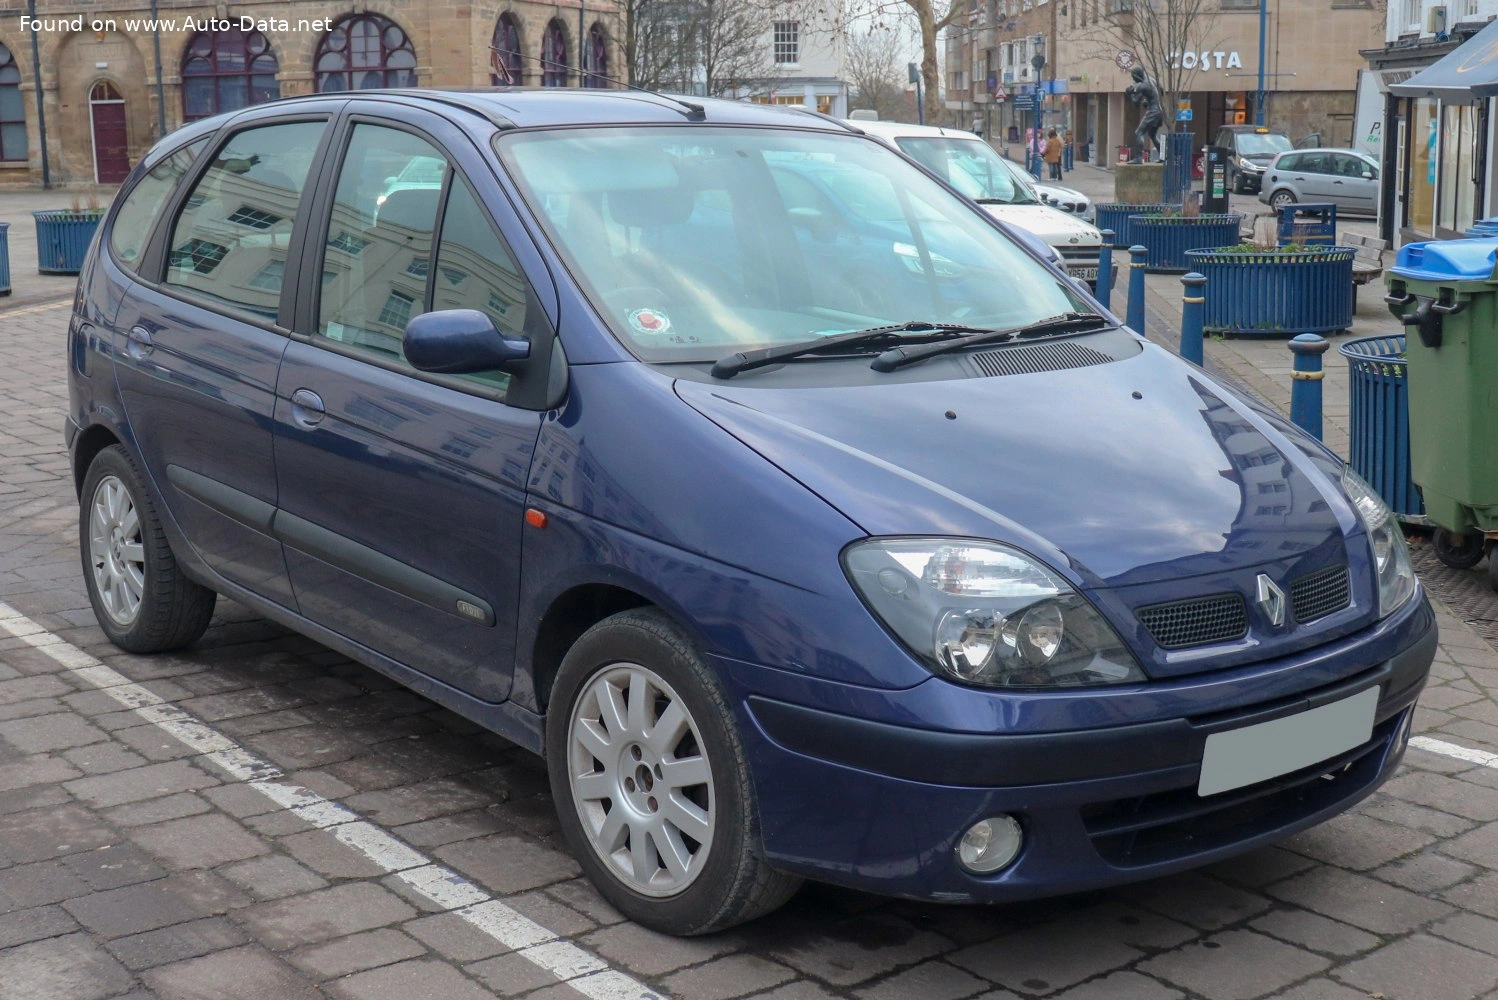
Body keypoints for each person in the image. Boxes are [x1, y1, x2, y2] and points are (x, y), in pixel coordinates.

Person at [1125, 66, 1164, 162]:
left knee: (1139, 132)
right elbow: (1161, 91)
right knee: (1152, 134)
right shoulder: (1151, 80)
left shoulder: (1142, 85)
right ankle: (1163, 157)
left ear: (1137, 76)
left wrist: (1129, 93)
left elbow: (1135, 101)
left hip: (1153, 111)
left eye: (1133, 77)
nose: (1132, 79)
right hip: (1160, 110)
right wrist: (1148, 98)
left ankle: (1138, 158)